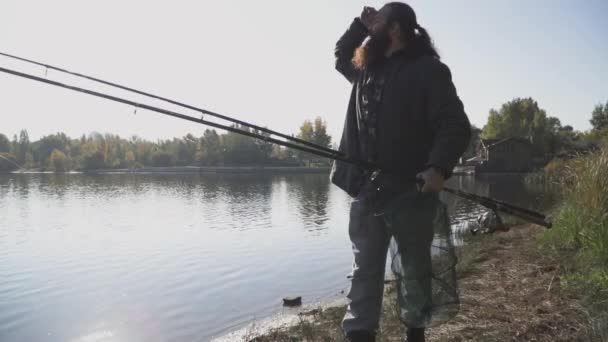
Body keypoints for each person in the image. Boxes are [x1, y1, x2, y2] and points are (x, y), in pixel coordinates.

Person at [330, 2, 471, 342]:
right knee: (365, 269)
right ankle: (359, 334)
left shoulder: (428, 70)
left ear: (395, 28)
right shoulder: (366, 68)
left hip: (412, 192)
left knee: (415, 269)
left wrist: (438, 167)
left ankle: (415, 333)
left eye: (377, 20)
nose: (371, 25)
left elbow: (455, 125)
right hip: (367, 190)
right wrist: (359, 26)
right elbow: (340, 55)